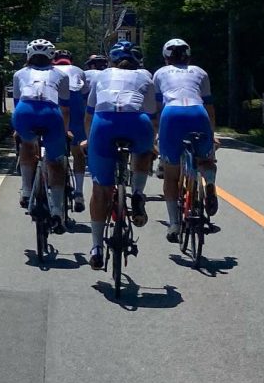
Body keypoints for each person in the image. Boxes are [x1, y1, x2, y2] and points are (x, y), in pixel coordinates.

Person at [82, 41, 158, 270]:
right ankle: (137, 193)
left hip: (103, 125)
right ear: (138, 62)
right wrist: (152, 143)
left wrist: (89, 139)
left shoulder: (101, 76)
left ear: (112, 61)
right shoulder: (146, 76)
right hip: (136, 123)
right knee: (144, 151)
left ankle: (96, 248)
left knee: (100, 189)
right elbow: (152, 115)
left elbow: (89, 114)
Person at [153, 38, 219, 241]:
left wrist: (157, 133)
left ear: (166, 58)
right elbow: (209, 108)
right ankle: (209, 184)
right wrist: (212, 133)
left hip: (171, 114)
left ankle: (174, 224)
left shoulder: (160, 73)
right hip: (198, 112)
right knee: (207, 158)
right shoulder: (200, 72)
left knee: (171, 175)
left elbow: (157, 108)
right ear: (188, 56)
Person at [11, 39, 71, 235]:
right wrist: (65, 130)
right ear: (51, 56)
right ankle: (56, 210)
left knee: (27, 145)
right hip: (50, 113)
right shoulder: (61, 75)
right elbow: (64, 107)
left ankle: (26, 190)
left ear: (28, 55)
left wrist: (18, 129)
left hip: (24, 112)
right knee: (55, 162)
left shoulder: (19, 74)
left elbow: (17, 102)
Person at [53, 49, 88, 212]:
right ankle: (79, 192)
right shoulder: (79, 71)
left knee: (51, 145)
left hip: (55, 98)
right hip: (75, 100)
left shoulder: (50, 70)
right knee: (78, 150)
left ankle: (49, 187)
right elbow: (86, 93)